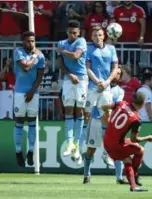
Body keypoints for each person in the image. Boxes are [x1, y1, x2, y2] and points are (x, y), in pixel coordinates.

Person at [102, 92, 152, 192]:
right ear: (143, 103)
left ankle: (134, 183)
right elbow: (134, 139)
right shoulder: (136, 119)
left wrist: (108, 115)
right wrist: (147, 138)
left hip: (106, 140)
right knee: (139, 150)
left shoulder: (121, 103)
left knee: (131, 156)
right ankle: (134, 179)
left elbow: (103, 106)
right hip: (116, 145)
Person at [83, 67, 128, 184]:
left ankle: (119, 177)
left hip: (110, 124)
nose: (116, 75)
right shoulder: (98, 87)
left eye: (119, 74)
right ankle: (86, 175)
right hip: (96, 120)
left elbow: (117, 106)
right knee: (91, 150)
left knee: (116, 149)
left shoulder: (120, 91)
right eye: (115, 72)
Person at [83, 26, 118, 166]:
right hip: (92, 87)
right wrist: (97, 81)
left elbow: (115, 68)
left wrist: (107, 82)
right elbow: (88, 68)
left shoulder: (111, 49)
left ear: (104, 36)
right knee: (85, 115)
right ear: (91, 37)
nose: (97, 37)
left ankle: (106, 152)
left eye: (100, 35)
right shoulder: (89, 49)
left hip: (106, 88)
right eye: (95, 35)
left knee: (106, 118)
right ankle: (79, 145)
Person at [56, 20, 87, 164]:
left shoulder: (81, 41)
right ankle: (69, 143)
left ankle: (77, 147)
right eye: (70, 32)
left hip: (82, 79)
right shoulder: (62, 43)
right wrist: (69, 74)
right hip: (69, 79)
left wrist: (62, 51)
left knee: (79, 111)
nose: (73, 35)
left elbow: (75, 56)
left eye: (75, 32)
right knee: (68, 109)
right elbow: (60, 63)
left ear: (79, 32)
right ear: (67, 31)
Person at [13, 31, 45, 167]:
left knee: (32, 121)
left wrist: (33, 90)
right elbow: (26, 67)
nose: (30, 43)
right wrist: (34, 56)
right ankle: (18, 152)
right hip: (20, 92)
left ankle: (31, 152)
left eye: (32, 41)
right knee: (20, 120)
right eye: (28, 41)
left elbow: (40, 74)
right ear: (23, 41)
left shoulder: (40, 55)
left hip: (33, 93)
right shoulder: (18, 52)